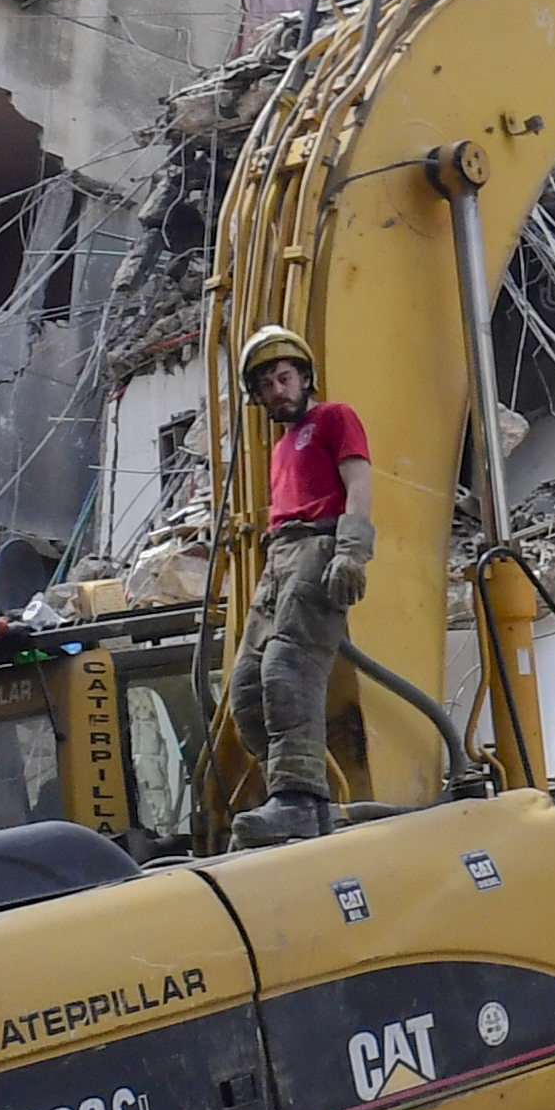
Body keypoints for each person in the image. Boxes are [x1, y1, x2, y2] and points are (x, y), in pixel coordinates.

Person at [223, 325, 371, 847]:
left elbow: (358, 482)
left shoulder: (334, 417)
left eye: (284, 378)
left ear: (305, 377)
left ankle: (299, 803)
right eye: (265, 386)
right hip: (279, 554)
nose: (276, 391)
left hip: (319, 545)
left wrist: (353, 549)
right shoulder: (282, 446)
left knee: (288, 668)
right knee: (245, 688)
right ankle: (285, 796)